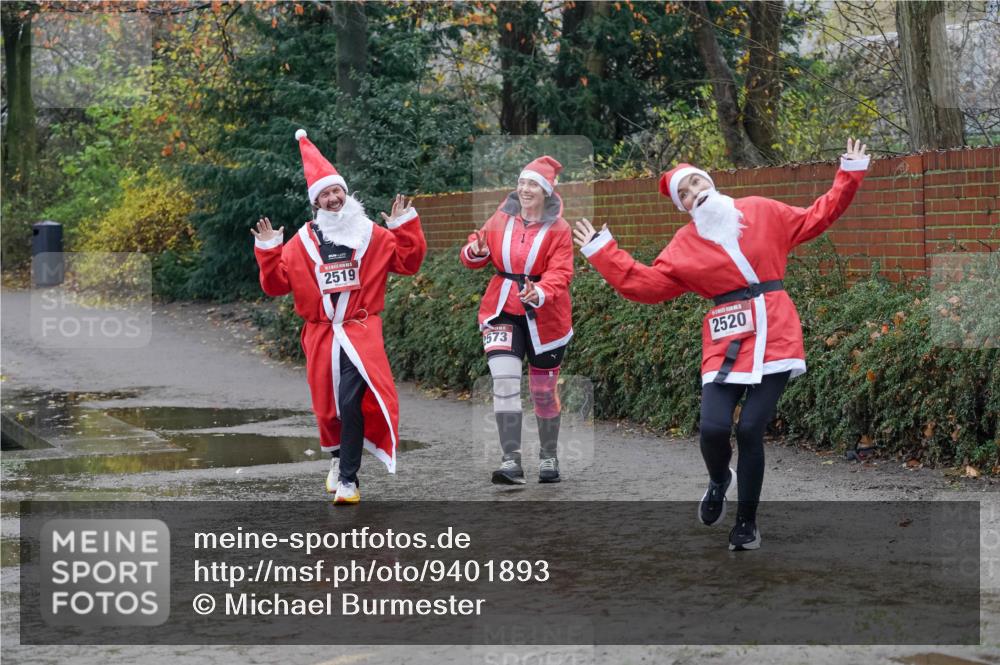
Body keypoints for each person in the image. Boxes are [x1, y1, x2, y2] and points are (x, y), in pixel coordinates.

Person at [573, 138, 870, 549]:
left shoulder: (761, 210)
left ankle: (746, 524)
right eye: (685, 194)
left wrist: (849, 173)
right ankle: (718, 479)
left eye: (696, 183)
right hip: (725, 340)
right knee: (713, 429)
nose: (694, 193)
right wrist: (603, 251)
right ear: (683, 206)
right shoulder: (682, 245)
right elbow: (644, 285)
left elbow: (818, 215)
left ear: (709, 180)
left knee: (750, 429)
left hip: (776, 334)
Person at [251, 129, 426, 504]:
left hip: (361, 332)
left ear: (345, 194)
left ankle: (348, 479)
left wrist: (404, 226)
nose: (333, 199)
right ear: (316, 202)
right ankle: (337, 460)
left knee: (351, 401)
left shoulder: (372, 236)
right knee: (328, 407)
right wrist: (268, 251)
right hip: (321, 336)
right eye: (325, 194)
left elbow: (408, 263)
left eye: (337, 192)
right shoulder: (301, 243)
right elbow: (277, 285)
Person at [460, 156, 575, 485]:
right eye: (522, 183)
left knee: (542, 391)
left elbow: (562, 272)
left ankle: (549, 454)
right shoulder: (501, 217)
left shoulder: (560, 230)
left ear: (546, 192)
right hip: (502, 310)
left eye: (533, 185)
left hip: (547, 317)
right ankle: (511, 460)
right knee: (506, 384)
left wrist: (539, 291)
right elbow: (473, 249)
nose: (525, 189)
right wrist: (476, 251)